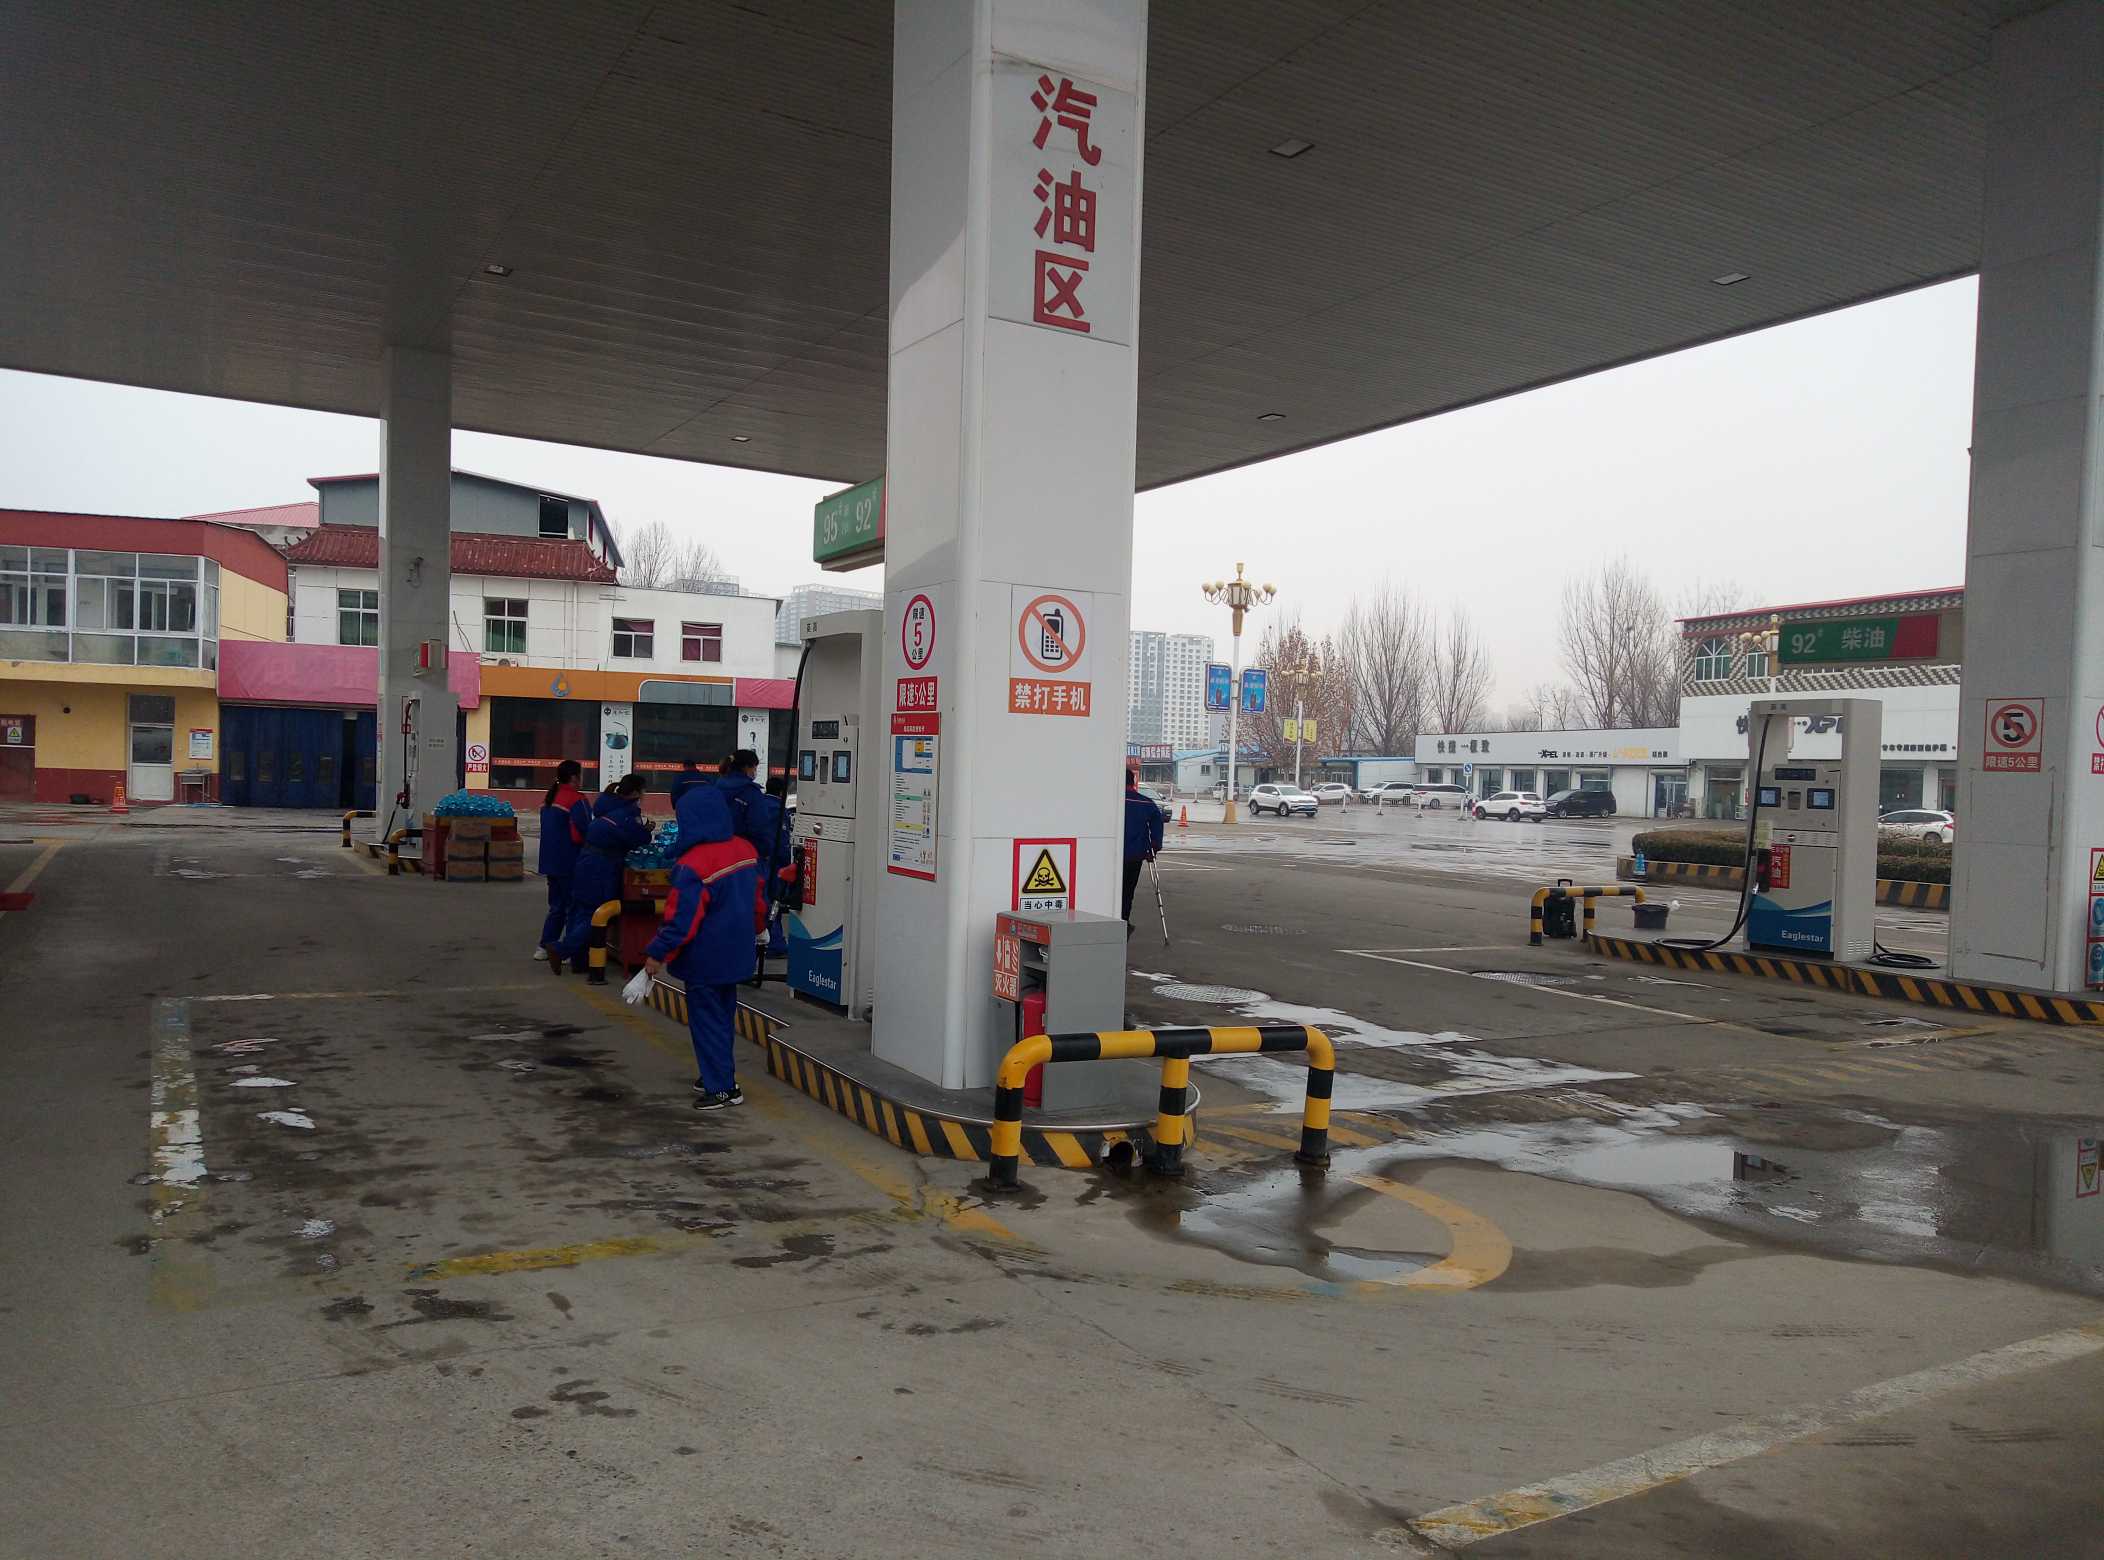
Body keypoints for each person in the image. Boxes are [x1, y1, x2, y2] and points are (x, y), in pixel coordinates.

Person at [644, 783, 765, 1109]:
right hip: (737, 953)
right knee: (722, 1018)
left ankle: (723, 1089)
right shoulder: (745, 850)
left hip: (705, 959)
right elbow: (758, 902)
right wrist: (759, 930)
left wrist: (657, 953)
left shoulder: (692, 865)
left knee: (706, 1022)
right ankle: (716, 1072)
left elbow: (681, 920)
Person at [555, 772, 651, 973]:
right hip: (602, 867)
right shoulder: (627, 813)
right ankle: (561, 950)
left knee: (580, 911)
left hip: (585, 861)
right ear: (635, 792)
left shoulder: (606, 803)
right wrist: (646, 831)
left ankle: (579, 962)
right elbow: (636, 839)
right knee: (596, 913)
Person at [534, 759, 589, 963]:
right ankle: (567, 950)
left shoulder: (549, 799)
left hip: (550, 861)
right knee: (573, 907)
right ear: (574, 777)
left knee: (557, 907)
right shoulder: (576, 799)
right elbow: (587, 829)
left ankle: (544, 946)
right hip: (570, 861)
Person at [1122, 767, 1164, 933]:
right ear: (1133, 782)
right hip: (1135, 855)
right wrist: (1153, 847)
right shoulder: (1146, 803)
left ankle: (1110, 920)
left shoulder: (1111, 801)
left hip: (1112, 856)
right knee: (1128, 891)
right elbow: (1157, 825)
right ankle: (1124, 921)